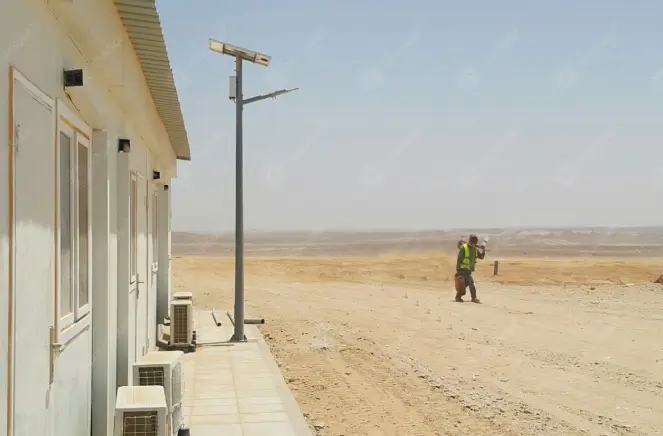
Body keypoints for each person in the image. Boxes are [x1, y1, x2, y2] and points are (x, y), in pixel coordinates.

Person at [455, 234, 485, 303]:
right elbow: (459, 259)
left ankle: (458, 297)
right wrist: (458, 270)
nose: (474, 243)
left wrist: (483, 250)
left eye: (475, 241)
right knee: (470, 282)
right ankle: (474, 298)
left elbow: (481, 257)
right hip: (462, 269)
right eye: (472, 241)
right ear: (470, 240)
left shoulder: (475, 249)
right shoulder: (464, 248)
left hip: (469, 270)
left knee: (465, 284)